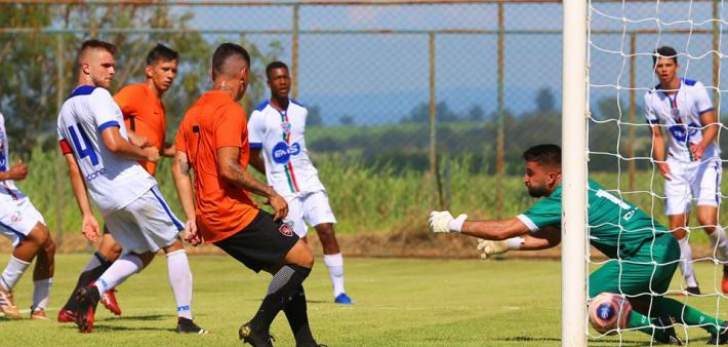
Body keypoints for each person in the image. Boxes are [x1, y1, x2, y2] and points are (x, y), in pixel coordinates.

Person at [429, 144, 728, 345]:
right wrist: (510, 246)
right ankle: (717, 326)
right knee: (643, 302)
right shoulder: (582, 185)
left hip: (646, 251)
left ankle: (658, 329)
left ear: (553, 175)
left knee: (584, 296)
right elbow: (554, 236)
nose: (525, 179)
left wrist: (454, 224)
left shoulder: (563, 195)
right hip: (664, 245)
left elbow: (504, 227)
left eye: (530, 173)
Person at [172, 43, 323, 347]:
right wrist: (271, 192)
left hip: (211, 219)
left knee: (286, 265)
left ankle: (306, 343)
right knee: (302, 258)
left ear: (212, 73)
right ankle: (257, 327)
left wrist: (192, 217)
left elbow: (179, 167)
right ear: (243, 75)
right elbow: (228, 169)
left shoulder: (193, 112)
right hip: (231, 213)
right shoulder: (229, 110)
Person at [56, 39, 204, 334]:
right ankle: (185, 320)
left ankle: (94, 290)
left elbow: (74, 168)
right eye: (106, 65)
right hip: (131, 185)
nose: (113, 71)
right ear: (86, 67)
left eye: (113, 65)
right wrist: (145, 153)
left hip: (105, 197)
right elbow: (113, 142)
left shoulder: (63, 113)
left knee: (142, 250)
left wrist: (86, 213)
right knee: (173, 244)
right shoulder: (100, 97)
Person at [248, 61, 352, 304]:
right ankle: (287, 293)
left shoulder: (301, 111)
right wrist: (270, 177)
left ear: (290, 79)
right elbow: (251, 154)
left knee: (326, 230)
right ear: (269, 83)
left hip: (309, 182)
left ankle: (340, 292)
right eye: (277, 78)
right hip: (285, 191)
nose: (282, 82)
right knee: (298, 245)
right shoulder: (259, 116)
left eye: (285, 77)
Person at [645, 45, 727, 295]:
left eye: (668, 65)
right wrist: (661, 162)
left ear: (676, 66)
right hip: (676, 165)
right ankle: (691, 284)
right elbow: (656, 135)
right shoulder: (651, 97)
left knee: (706, 222)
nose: (664, 69)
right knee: (677, 228)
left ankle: (726, 260)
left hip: (705, 162)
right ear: (654, 68)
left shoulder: (695, 89)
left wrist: (702, 145)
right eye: (659, 65)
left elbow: (712, 125)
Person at [0, 112, 55, 320]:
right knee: (37, 235)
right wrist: (8, 174)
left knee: (48, 245)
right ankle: (3, 288)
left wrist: (8, 176)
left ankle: (39, 310)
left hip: (9, 190)